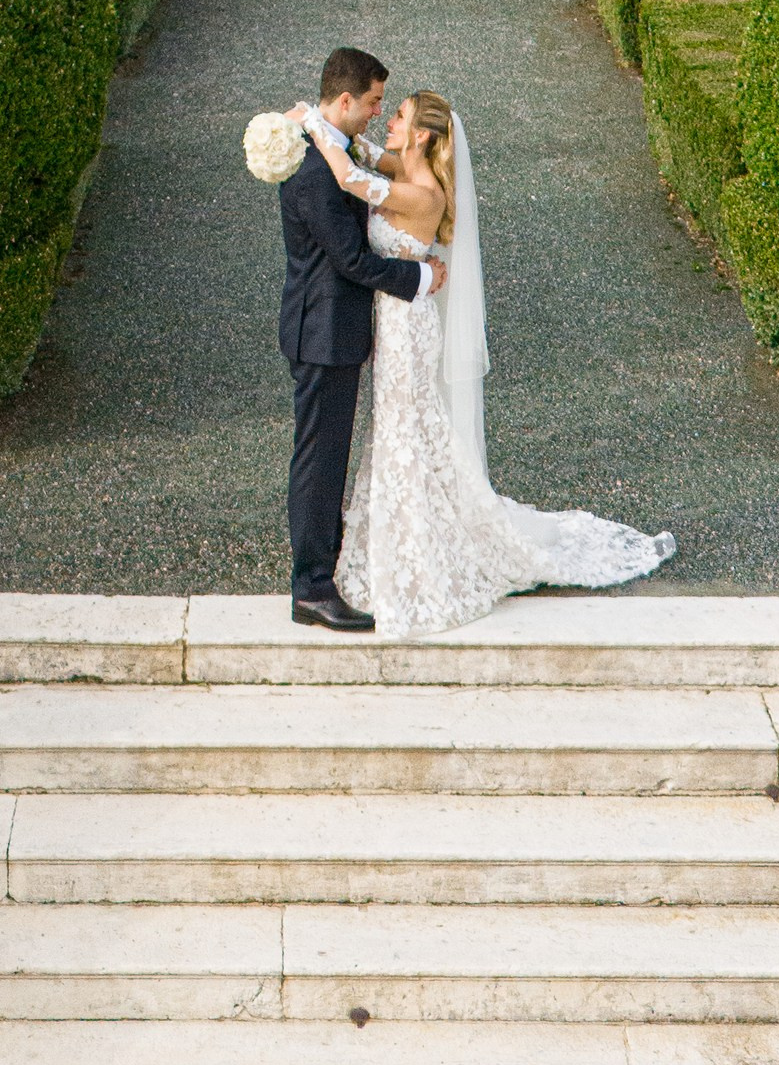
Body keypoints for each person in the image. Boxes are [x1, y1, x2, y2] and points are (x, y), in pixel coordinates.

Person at [336, 86, 675, 640]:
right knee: (401, 430)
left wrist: (308, 129)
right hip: (395, 318)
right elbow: (371, 156)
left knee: (406, 430)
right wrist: (346, 132)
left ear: (422, 134)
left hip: (408, 330)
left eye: (397, 116)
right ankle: (395, 543)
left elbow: (353, 179)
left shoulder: (424, 196)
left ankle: (421, 558)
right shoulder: (407, 167)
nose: (389, 122)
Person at [277, 46, 445, 633]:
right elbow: (350, 260)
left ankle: (327, 570)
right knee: (321, 464)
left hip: (336, 330)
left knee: (330, 458)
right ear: (345, 100)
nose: (378, 113)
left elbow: (366, 167)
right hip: (322, 332)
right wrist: (419, 276)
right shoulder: (317, 168)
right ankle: (312, 589)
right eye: (374, 102)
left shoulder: (332, 146)